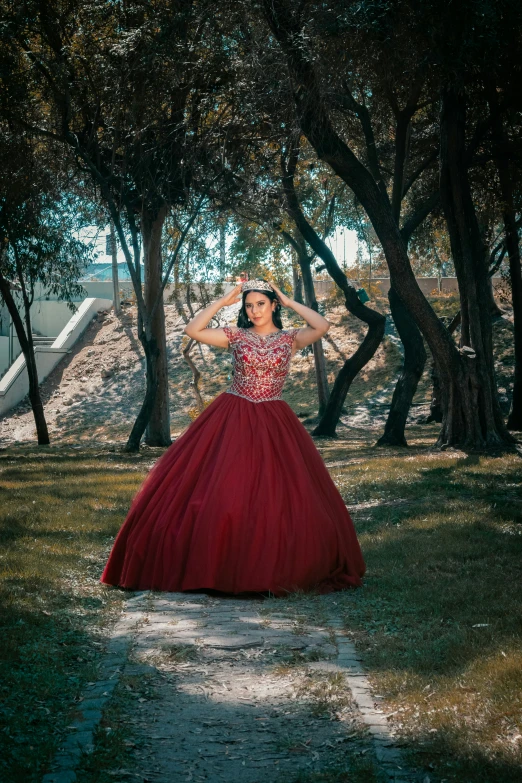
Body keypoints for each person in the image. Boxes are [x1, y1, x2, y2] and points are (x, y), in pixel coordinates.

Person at [100, 279, 365, 596]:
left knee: (279, 495)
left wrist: (290, 301)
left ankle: (267, 567)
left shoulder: (290, 339)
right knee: (224, 489)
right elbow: (193, 331)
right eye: (249, 305)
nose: (254, 311)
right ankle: (214, 566)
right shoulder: (236, 336)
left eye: (261, 304)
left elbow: (322, 325)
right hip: (233, 414)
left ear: (273, 305)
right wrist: (222, 302)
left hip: (274, 418)